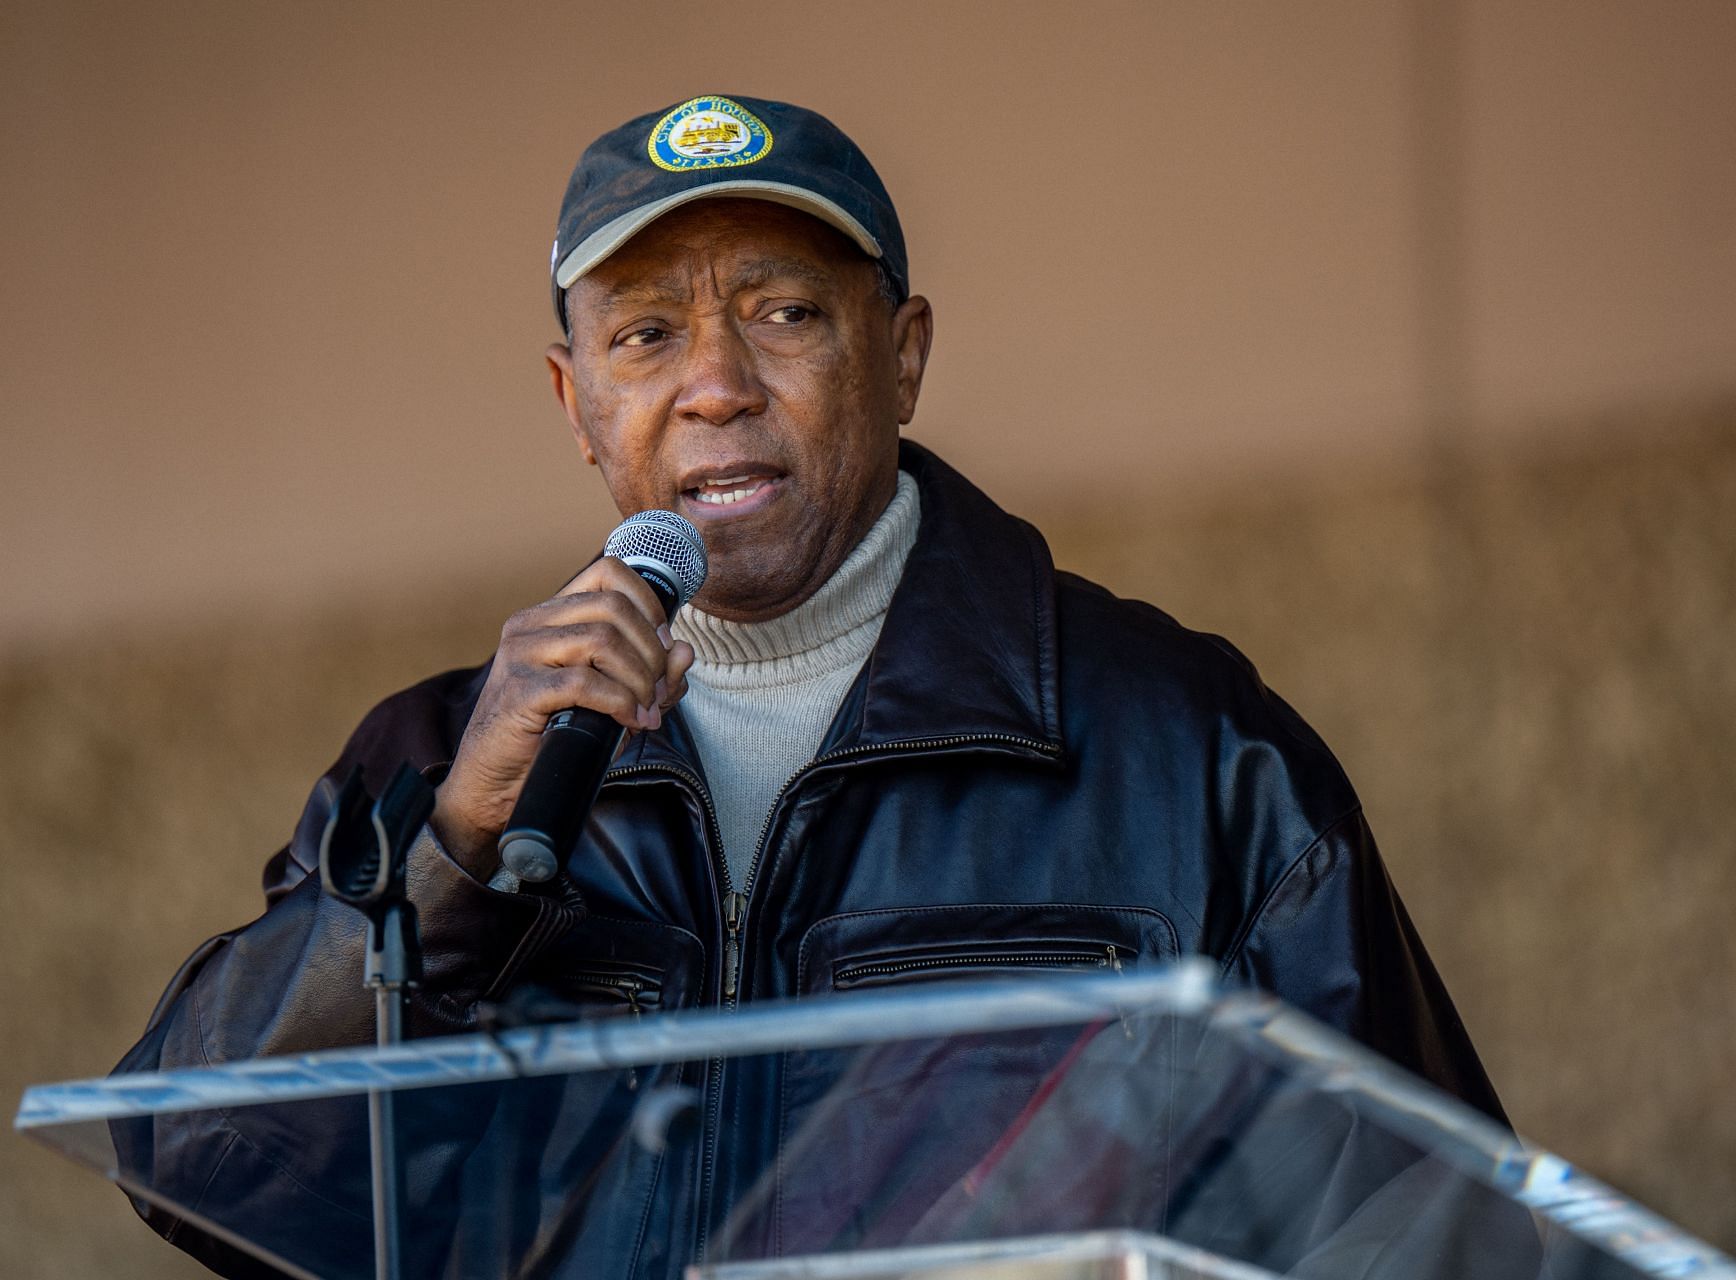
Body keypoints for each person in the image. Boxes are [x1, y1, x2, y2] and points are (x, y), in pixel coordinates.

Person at [115, 95, 1505, 1278]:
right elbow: (207, 1174)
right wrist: (454, 855)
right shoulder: (435, 762)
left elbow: (1428, 1237)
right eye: (645, 335)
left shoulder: (1186, 750)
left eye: (782, 312)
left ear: (901, 355)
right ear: (574, 402)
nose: (715, 383)